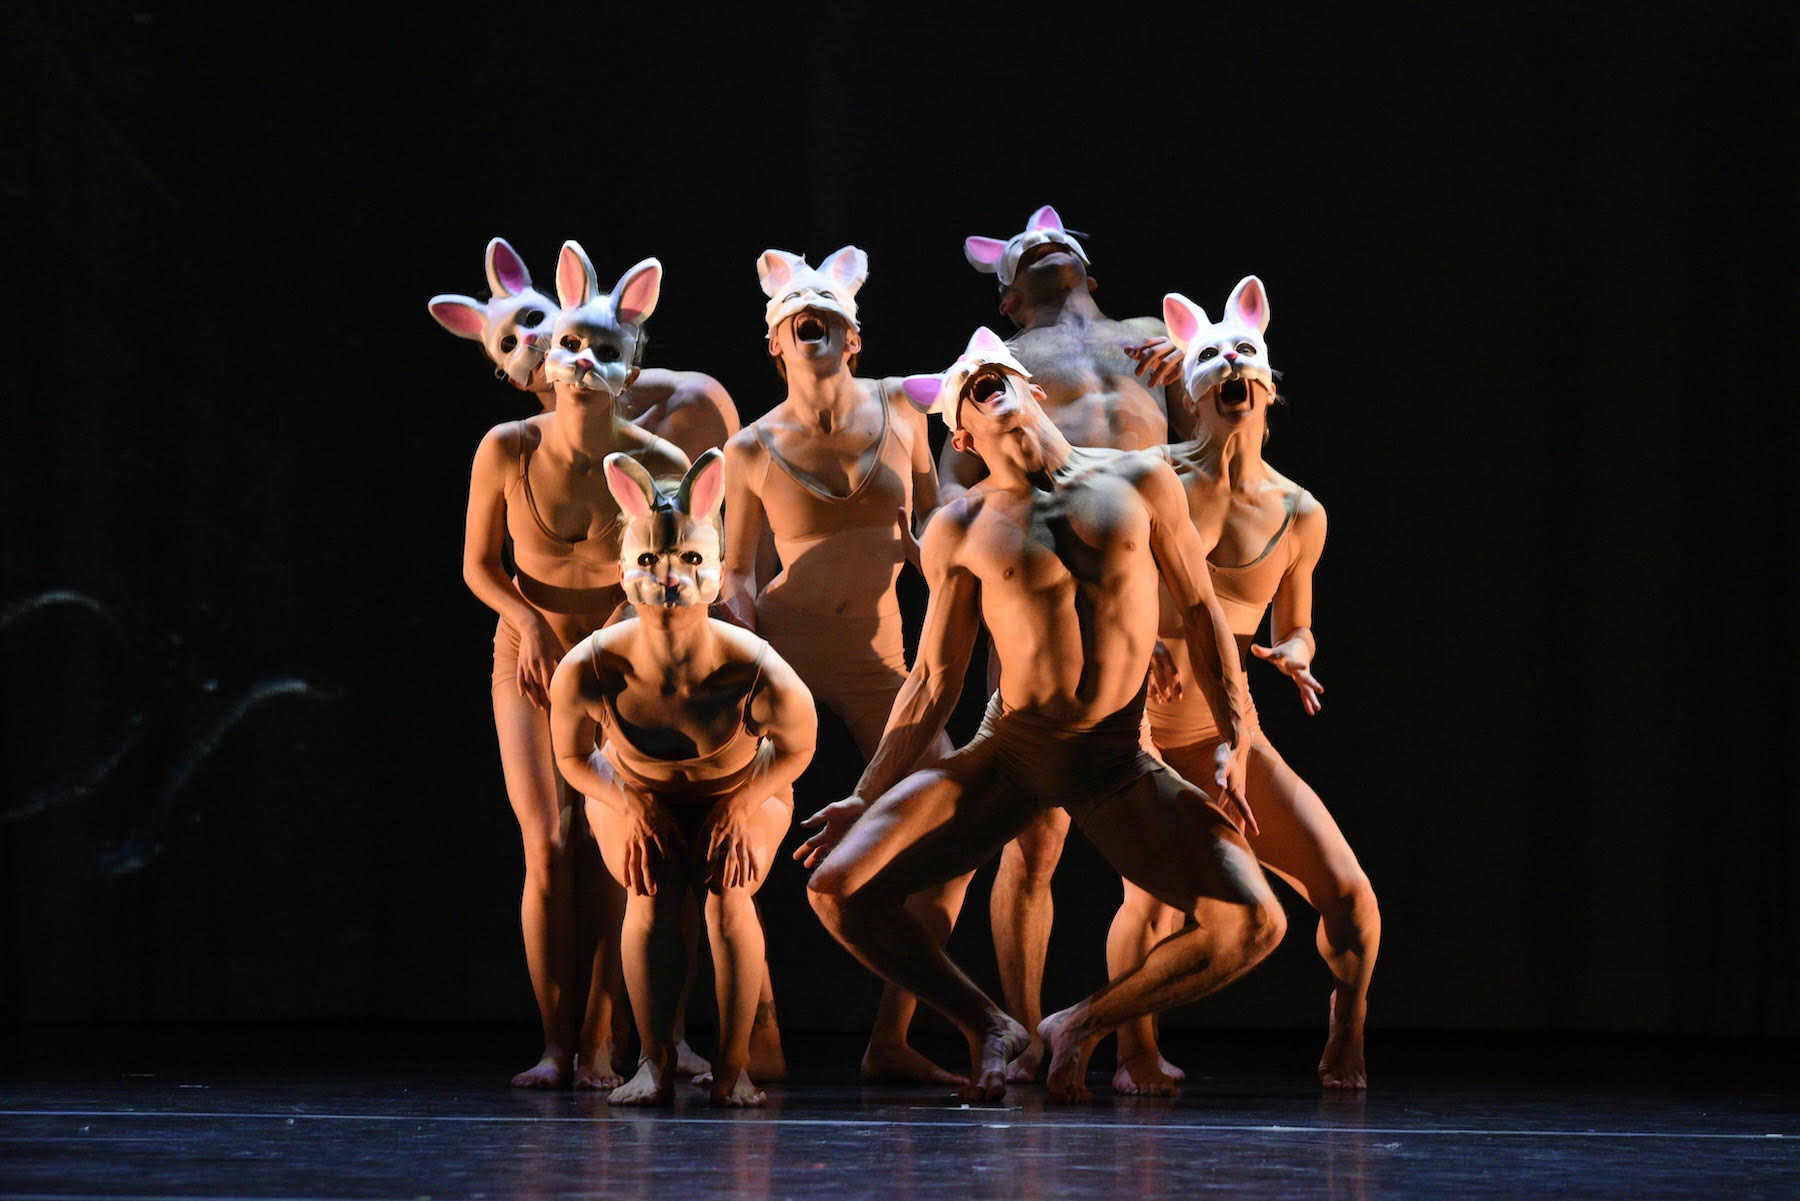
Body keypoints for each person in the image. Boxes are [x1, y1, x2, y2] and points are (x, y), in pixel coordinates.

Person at [799, 328, 1284, 1103]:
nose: (989, 380)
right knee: (836, 888)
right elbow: (932, 679)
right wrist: (865, 791)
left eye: (1001, 374)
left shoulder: (1143, 480)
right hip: (1013, 751)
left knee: (1255, 923)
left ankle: (1078, 1023)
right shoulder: (958, 528)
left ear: (1037, 390)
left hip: (1119, 757)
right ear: (960, 431)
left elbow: (1201, 614)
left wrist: (1239, 735)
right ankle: (990, 1023)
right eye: (971, 385)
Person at [1112, 277, 1378, 1091]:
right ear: (1194, 388)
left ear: (1265, 383)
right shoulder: (1147, 474)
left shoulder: (1301, 512)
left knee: (1350, 900)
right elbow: (1097, 580)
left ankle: (1348, 1025)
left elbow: (1295, 620)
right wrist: (1140, 639)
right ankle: (1135, 1049)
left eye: (1244, 355)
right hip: (1144, 730)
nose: (1231, 366)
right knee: (1152, 903)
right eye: (1212, 357)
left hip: (1233, 733)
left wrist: (1296, 649)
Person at [947, 205, 1194, 1079]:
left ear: (1090, 265)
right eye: (1022, 252)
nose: (1041, 240)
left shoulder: (1154, 337)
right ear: (1009, 299)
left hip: (1142, 606)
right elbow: (956, 472)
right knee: (1033, 835)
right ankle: (1019, 1034)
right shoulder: (1004, 364)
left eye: (1056, 238)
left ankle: (1134, 1044)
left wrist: (1194, 368)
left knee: (1153, 846)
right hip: (1042, 610)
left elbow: (1199, 468)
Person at [720, 247, 965, 1083]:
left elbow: (937, 511)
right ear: (776, 343)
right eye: (797, 317)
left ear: (853, 339)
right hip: (785, 648)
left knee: (955, 821)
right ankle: (755, 1029)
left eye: (827, 314)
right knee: (742, 833)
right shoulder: (751, 447)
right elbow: (736, 570)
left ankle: (892, 1035)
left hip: (877, 651)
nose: (812, 322)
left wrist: (931, 550)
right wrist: (747, 649)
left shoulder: (903, 410)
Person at [458, 242, 687, 1088]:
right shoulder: (506, 447)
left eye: (605, 350)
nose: (585, 359)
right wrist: (528, 621)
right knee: (549, 841)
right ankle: (557, 1042)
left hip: (617, 655)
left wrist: (614, 639)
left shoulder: (657, 461)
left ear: (633, 365)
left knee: (612, 844)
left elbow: (665, 576)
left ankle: (603, 1043)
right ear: (546, 360)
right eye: (572, 347)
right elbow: (480, 566)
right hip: (530, 648)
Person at [551, 450, 816, 1107]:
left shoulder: (757, 669)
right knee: (650, 888)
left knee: (729, 892)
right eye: (650, 561)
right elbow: (571, 757)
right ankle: (654, 1059)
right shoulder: (589, 668)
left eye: (690, 560)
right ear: (623, 574)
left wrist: (745, 801)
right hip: (633, 790)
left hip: (741, 789)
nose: (669, 576)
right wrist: (627, 803)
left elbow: (796, 748)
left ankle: (733, 1066)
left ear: (718, 573)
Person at [430, 236, 741, 456]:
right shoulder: (519, 450)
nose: (528, 339)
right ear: (513, 380)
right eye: (509, 344)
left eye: (535, 318)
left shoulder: (691, 402)